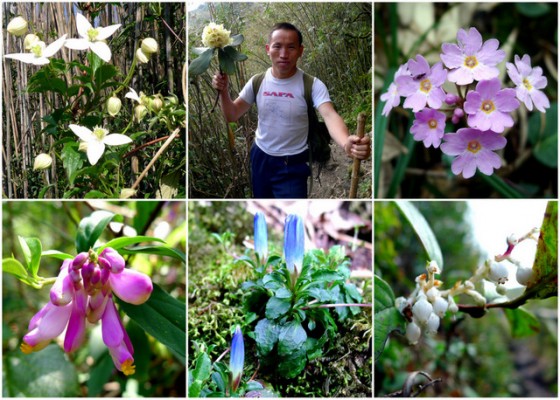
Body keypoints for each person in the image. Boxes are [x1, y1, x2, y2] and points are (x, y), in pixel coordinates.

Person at [212, 22, 371, 198]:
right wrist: (223, 92)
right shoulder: (257, 82)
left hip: (293, 164)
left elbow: (329, 115)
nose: (283, 54)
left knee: (293, 213)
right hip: (260, 158)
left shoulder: (312, 85)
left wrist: (345, 142)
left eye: (291, 47)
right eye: (277, 46)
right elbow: (232, 115)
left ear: (301, 51)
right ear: (268, 49)